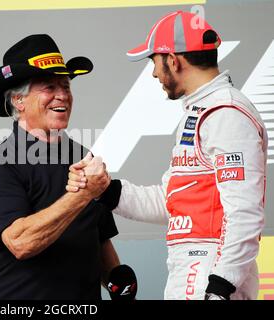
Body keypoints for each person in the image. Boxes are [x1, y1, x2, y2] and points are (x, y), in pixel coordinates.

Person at [67, 10, 268, 300]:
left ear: (173, 60)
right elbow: (175, 200)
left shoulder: (226, 114)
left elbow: (244, 211)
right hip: (196, 266)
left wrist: (221, 286)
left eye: (154, 62)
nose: (153, 73)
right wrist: (105, 190)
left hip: (209, 271)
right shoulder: (202, 112)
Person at [0, 34, 120, 299]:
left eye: (65, 85)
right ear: (19, 101)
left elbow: (98, 238)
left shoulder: (83, 155)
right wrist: (83, 195)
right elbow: (21, 242)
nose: (62, 95)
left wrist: (116, 279)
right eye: (49, 87)